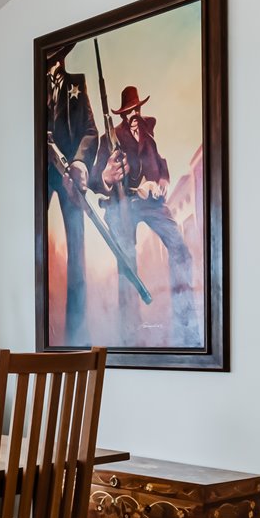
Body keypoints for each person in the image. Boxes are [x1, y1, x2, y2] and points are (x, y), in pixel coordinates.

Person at [98, 85, 198, 345]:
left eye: (136, 108)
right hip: (126, 202)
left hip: (153, 201)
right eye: (128, 110)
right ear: (122, 114)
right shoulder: (112, 137)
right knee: (127, 263)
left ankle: (186, 323)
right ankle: (130, 335)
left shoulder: (146, 131)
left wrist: (163, 179)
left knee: (180, 249)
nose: (133, 113)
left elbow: (159, 160)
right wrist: (116, 180)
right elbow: (102, 173)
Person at [43, 49, 99, 345]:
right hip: (38, 175)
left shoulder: (75, 84)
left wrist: (78, 162)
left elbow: (90, 130)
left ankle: (76, 336)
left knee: (76, 245)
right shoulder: (27, 86)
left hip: (67, 170)